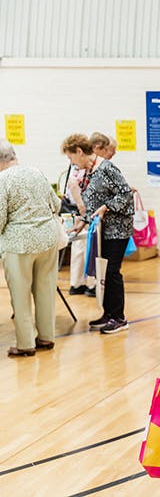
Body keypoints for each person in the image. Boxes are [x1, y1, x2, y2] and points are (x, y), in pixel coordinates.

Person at [63, 133, 134, 334]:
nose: (71, 163)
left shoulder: (106, 168)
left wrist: (106, 207)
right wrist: (82, 222)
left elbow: (126, 194)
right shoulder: (89, 171)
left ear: (79, 151)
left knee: (111, 271)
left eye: (71, 157)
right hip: (102, 229)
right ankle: (108, 313)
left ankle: (119, 318)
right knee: (103, 272)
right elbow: (93, 203)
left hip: (117, 229)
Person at [0, 139, 61, 357]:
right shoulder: (36, 172)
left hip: (19, 244)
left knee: (20, 294)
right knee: (46, 290)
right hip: (48, 240)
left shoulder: (2, 180)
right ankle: (46, 337)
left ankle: (25, 344)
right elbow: (57, 205)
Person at [63, 158, 96, 297]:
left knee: (78, 247)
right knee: (90, 247)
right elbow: (73, 185)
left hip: (75, 210)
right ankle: (92, 284)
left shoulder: (74, 166)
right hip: (85, 210)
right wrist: (82, 207)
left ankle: (76, 283)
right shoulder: (85, 165)